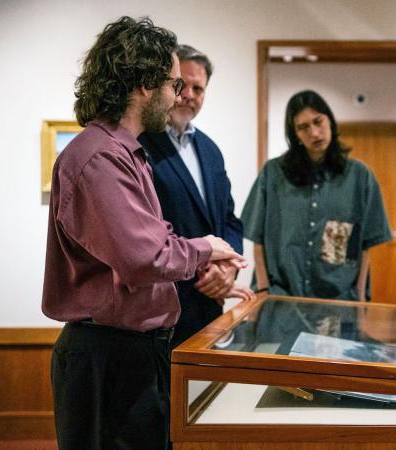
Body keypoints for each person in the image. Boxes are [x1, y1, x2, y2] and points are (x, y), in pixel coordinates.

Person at [42, 17, 246, 449]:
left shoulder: (126, 155)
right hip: (107, 356)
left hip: (131, 353)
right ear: (143, 85)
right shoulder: (99, 158)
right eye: (173, 84)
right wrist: (206, 247)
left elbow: (157, 239)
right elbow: (145, 256)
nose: (178, 95)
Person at [138, 44, 253, 349]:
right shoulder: (140, 145)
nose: (189, 94)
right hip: (161, 313)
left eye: (198, 88)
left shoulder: (211, 150)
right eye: (181, 84)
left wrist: (227, 268)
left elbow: (229, 220)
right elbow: (145, 231)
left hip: (210, 308)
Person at [241, 90, 392, 300]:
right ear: (295, 135)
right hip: (281, 299)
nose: (314, 133)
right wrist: (263, 289)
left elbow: (366, 245)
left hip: (339, 302)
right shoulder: (273, 174)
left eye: (318, 121)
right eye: (303, 127)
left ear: (330, 121)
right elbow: (257, 237)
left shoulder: (360, 177)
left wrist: (359, 297)